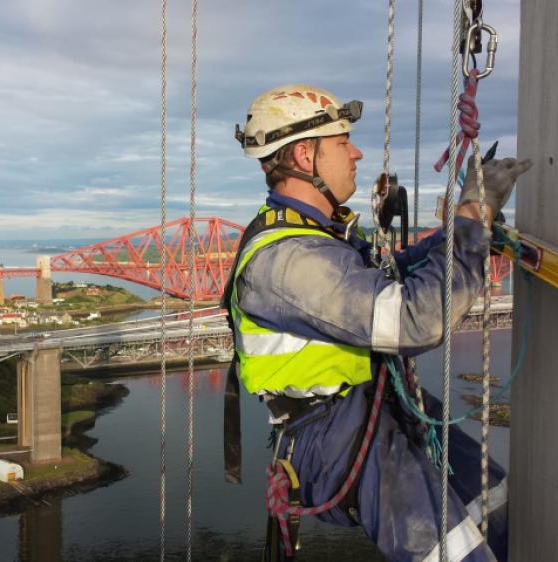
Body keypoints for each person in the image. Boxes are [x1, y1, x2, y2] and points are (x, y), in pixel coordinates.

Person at [225, 84, 532, 561]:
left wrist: (461, 235)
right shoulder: (289, 261)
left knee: (493, 500)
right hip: (328, 435)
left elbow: (393, 275)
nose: (357, 153)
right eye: (343, 142)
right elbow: (414, 320)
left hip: (367, 405)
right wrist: (473, 216)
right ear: (306, 155)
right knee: (454, 554)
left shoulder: (314, 235)